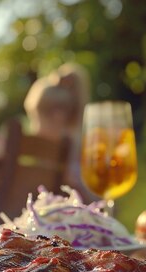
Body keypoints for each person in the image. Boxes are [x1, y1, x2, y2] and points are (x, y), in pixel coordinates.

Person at [23, 63, 95, 202]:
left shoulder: (69, 146)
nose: (34, 128)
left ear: (58, 116)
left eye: (37, 119)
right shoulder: (76, 140)